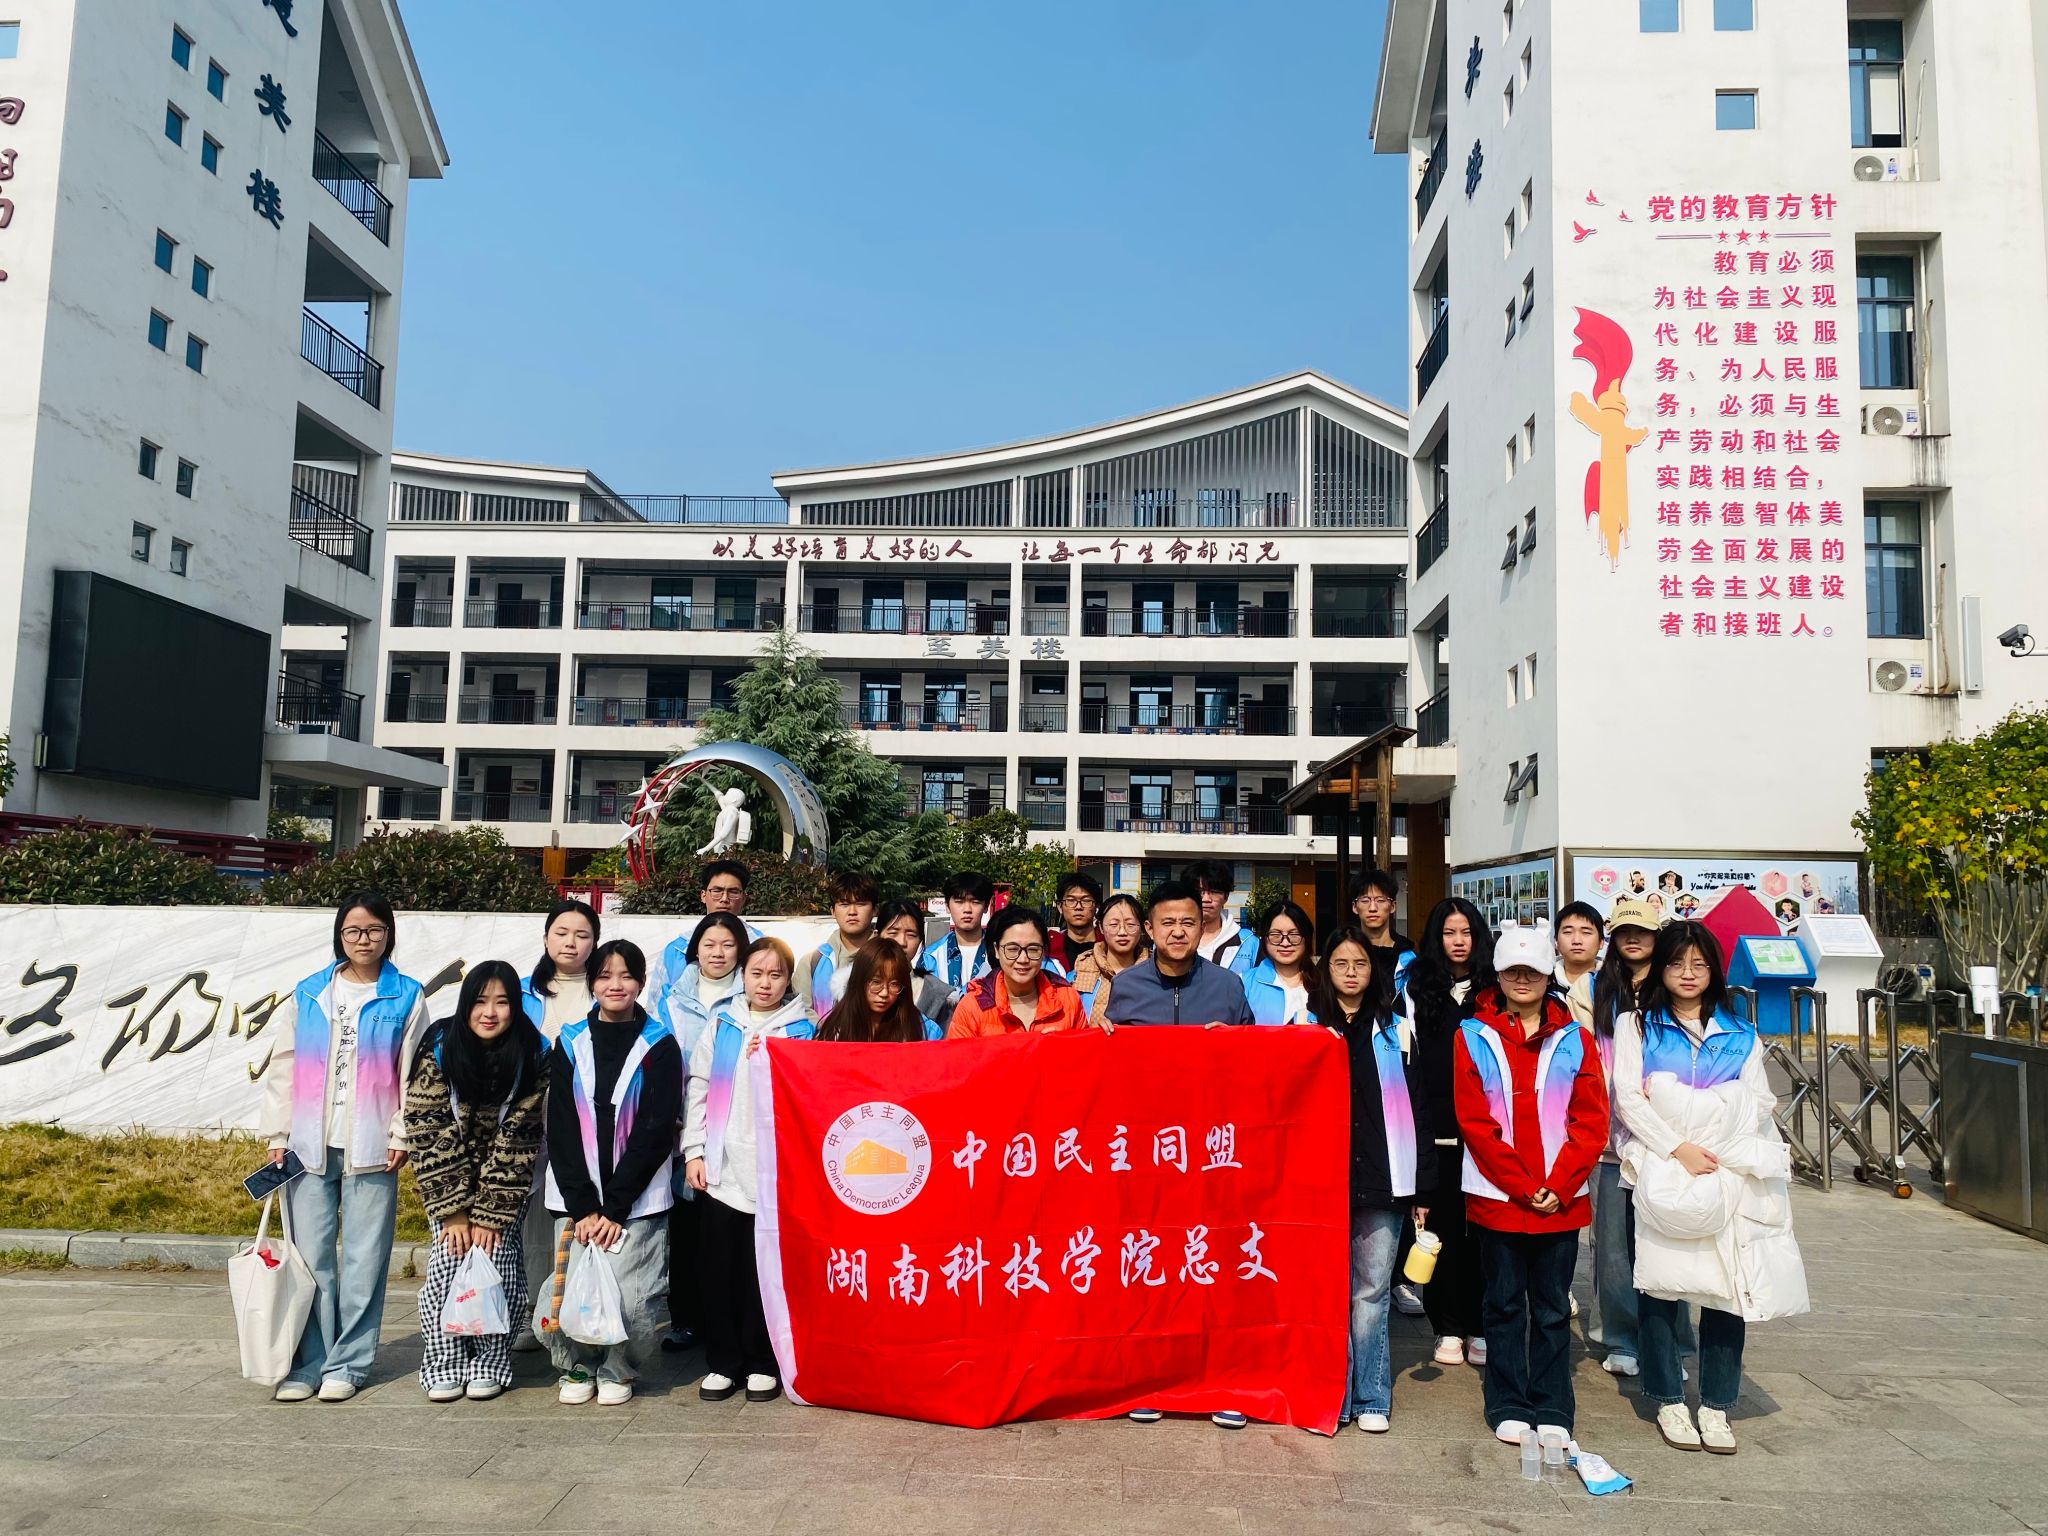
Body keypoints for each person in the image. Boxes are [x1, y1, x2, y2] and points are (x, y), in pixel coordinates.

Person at [1612, 921, 1808, 1455]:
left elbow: (1758, 1102)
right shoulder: (1637, 1025)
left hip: (1723, 1170)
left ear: (1714, 971)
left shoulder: (1741, 1033)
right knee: (1658, 1286)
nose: (1688, 974)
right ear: (1661, 968)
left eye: (1699, 964)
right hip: (1658, 1168)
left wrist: (1702, 1129)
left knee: (1728, 1290)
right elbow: (1628, 1099)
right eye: (1677, 963)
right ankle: (1668, 1399)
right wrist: (1677, 1146)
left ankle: (1718, 1404)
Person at [258, 892, 431, 1403]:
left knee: (365, 1259)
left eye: (374, 930)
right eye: (353, 930)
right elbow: (283, 1066)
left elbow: (415, 1071)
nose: (363, 939)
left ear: (388, 935)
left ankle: (349, 1363)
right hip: (307, 1145)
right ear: (339, 935)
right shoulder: (310, 992)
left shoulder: (406, 996)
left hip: (374, 1145)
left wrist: (403, 1131)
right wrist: (277, 1134)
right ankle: (309, 1362)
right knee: (311, 1260)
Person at [1452, 924, 1609, 1451]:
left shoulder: (1576, 1039)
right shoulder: (1472, 1035)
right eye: (1513, 971)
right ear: (1498, 975)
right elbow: (1475, 1122)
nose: (1523, 980)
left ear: (1548, 976)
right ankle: (1507, 1401)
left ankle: (1553, 1403)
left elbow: (1591, 1120)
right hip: (1498, 1197)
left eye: (1534, 972)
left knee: (1551, 1307)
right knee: (1502, 1305)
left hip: (1560, 1200)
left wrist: (1560, 1184)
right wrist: (1521, 1186)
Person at [543, 939, 681, 1407]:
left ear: (641, 983)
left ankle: (619, 1367)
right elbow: (560, 1127)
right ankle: (577, 1365)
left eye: (626, 975)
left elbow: (656, 1130)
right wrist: (585, 1206)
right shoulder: (570, 1042)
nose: (615, 984)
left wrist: (615, 1207)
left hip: (636, 1200)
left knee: (631, 1298)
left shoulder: (660, 1045)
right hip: (577, 1201)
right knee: (568, 1293)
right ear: (592, 982)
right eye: (604, 976)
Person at [404, 960, 547, 1402]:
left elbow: (520, 1137)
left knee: (498, 1265)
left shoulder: (533, 1053)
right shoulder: (439, 1047)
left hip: (505, 1188)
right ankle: (443, 1362)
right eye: (481, 1001)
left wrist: (489, 1214)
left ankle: (490, 1361)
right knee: (446, 1267)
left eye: (502, 1002)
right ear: (466, 1003)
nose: (490, 1012)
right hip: (445, 1184)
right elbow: (427, 1128)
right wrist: (455, 1212)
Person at [683, 936, 815, 1404]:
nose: (765, 983)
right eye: (757, 973)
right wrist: (694, 1151)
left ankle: (762, 1362)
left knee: (762, 1271)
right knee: (719, 1268)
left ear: (788, 979)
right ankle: (723, 1362)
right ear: (742, 975)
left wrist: (778, 1056)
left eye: (776, 974)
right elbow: (699, 1085)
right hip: (722, 1167)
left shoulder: (804, 1029)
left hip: (776, 1171)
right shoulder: (722, 1024)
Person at [1313, 926, 1429, 1434]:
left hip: (1385, 1177)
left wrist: (1423, 1188)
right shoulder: (1309, 1028)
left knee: (1372, 1293)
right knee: (1327, 1292)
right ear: (1326, 970)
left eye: (1360, 963)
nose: (1351, 972)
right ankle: (1333, 1394)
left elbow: (1419, 1109)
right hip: (1321, 1180)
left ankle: (1371, 1396)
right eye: (1341, 963)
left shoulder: (1398, 1031)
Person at [1580, 895, 1678, 1378]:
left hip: (1665, 1137)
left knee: (1670, 1243)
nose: (1633, 939)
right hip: (1609, 1138)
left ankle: (1671, 1344)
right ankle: (1621, 1337)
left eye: (1642, 931)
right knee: (1614, 1249)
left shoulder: (1672, 987)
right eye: (1624, 932)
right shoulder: (1597, 988)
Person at [1398, 897, 1495, 1368]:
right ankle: (1448, 1326)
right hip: (1435, 1129)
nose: (1459, 942)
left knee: (1483, 1233)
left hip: (1487, 1130)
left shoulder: (1495, 989)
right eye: (1449, 933)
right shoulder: (1415, 989)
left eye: (1466, 932)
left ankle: (1481, 1325)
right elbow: (1407, 1061)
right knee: (1439, 1230)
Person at [654, 910, 750, 1353]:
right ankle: (685, 1318)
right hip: (679, 1125)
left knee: (722, 1229)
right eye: (709, 944)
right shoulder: (671, 999)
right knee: (685, 1227)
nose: (718, 953)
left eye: (728, 945)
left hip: (731, 1131)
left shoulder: (749, 996)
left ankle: (723, 1320)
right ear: (695, 950)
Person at [513, 899, 599, 1352]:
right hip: (526, 1122)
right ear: (545, 937)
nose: (571, 942)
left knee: (570, 1214)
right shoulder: (521, 994)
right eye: (561, 933)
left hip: (583, 1124)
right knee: (527, 1219)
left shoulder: (604, 989)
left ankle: (569, 1309)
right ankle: (529, 1310)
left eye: (582, 935)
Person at [947, 907, 1093, 1037]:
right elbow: (959, 1058)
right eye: (1012, 949)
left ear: (1044, 951)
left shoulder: (1067, 999)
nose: (1023, 959)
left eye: (1033, 949)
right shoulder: (973, 1007)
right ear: (997, 950)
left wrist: (1064, 1048)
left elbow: (1084, 1053)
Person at [649, 859, 757, 1024]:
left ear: (743, 898)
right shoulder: (676, 950)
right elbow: (655, 1008)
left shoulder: (760, 947)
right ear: (703, 896)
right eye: (717, 891)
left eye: (733, 892)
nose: (724, 899)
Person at [794, 869, 878, 1022]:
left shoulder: (888, 957)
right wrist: (824, 1030)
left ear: (874, 910)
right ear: (833, 911)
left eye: (860, 904)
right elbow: (800, 1009)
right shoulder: (812, 961)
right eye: (844, 904)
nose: (852, 912)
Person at [819, 938, 943, 1041]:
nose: (884, 993)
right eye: (876, 982)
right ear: (859, 981)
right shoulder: (835, 1029)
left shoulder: (924, 1031)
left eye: (894, 984)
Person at [878, 898, 957, 1030]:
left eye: (911, 935)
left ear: (920, 940)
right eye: (893, 933)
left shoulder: (939, 995)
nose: (902, 942)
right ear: (877, 935)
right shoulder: (855, 984)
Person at [1243, 901, 1318, 1026]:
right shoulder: (1243, 983)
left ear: (1307, 938)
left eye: (1294, 934)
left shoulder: (1324, 984)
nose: (1285, 943)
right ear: (1264, 939)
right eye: (1276, 935)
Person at [1079, 892, 1148, 1027]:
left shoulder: (1157, 969)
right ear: (1101, 927)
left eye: (1130, 925)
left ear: (1142, 927)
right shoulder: (1081, 971)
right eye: (1113, 924)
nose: (1122, 932)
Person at [921, 871, 994, 996]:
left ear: (986, 906)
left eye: (975, 902)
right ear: (947, 906)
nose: (967, 910)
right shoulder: (931, 956)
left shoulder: (999, 951)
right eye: (959, 901)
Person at [1187, 858, 1253, 973]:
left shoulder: (1248, 943)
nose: (1206, 899)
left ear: (1226, 897)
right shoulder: (1171, 939)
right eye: (1199, 892)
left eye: (1214, 891)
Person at [1351, 869, 1414, 986]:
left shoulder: (1409, 959)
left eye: (1380, 900)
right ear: (1355, 907)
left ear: (1393, 906)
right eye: (1365, 900)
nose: (1373, 908)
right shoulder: (1344, 952)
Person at [1045, 870, 1103, 976]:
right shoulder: (1047, 949)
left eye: (1086, 900)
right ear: (1060, 907)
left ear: (1097, 907)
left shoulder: (1109, 947)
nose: (1078, 907)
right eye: (1071, 900)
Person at [1553, 902, 1604, 1009]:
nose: (1576, 941)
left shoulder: (1616, 982)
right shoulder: (1543, 982)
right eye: (1568, 932)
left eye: (1586, 932)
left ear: (1601, 942)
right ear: (1556, 941)